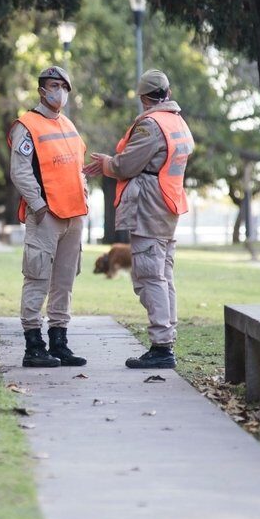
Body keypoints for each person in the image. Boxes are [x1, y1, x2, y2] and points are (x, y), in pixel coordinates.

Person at [83, 69, 195, 369]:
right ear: (167, 93)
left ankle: (161, 347)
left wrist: (108, 163)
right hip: (169, 206)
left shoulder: (151, 124)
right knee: (163, 275)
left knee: (148, 275)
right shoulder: (178, 122)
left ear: (144, 98)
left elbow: (127, 164)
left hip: (149, 207)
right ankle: (166, 338)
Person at [7, 66, 89, 368]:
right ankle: (33, 345)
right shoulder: (27, 125)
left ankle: (59, 341)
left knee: (64, 282)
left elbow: (77, 167)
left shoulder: (68, 123)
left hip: (74, 215)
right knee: (37, 277)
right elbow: (20, 171)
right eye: (55, 86)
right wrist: (39, 206)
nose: (60, 92)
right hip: (46, 215)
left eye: (65, 86)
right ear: (42, 90)